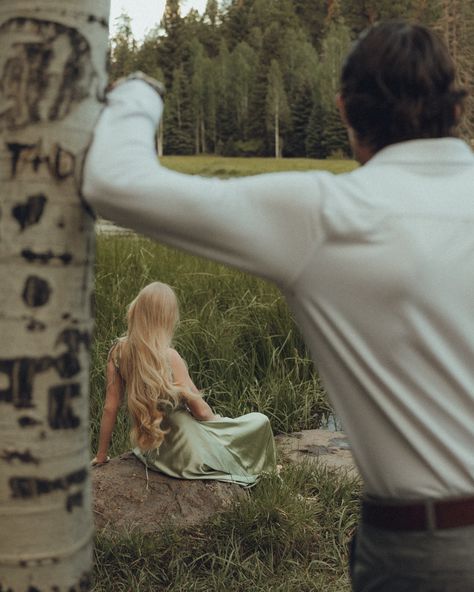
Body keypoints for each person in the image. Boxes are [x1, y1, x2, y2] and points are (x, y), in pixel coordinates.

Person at [83, 21, 474, 592]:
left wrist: (139, 88)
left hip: (432, 551)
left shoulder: (325, 214)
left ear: (344, 109)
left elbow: (114, 183)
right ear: (455, 106)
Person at [92, 281, 277, 487]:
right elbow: (201, 413)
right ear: (167, 318)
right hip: (186, 452)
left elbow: (110, 408)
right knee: (260, 420)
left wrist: (101, 455)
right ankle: (265, 469)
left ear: (137, 310)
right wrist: (221, 422)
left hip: (153, 451)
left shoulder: (117, 352)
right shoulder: (170, 357)